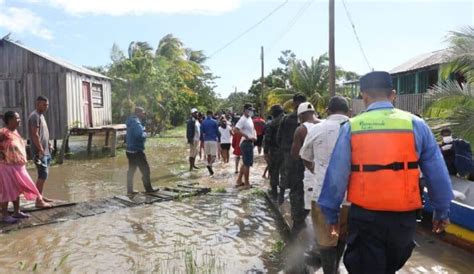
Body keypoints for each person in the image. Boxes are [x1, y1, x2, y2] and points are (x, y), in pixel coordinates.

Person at [318, 71, 453, 274]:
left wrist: (331, 215)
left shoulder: (352, 127)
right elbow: (437, 174)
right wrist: (441, 211)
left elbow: (336, 177)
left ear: (364, 96)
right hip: (404, 221)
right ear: (393, 94)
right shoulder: (416, 124)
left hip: (365, 219)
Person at [300, 96, 350, 274]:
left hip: (323, 194)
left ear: (328, 111)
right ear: (348, 111)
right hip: (351, 196)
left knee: (325, 240)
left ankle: (330, 271)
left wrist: (317, 171)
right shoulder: (357, 128)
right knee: (342, 235)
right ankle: (336, 268)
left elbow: (305, 156)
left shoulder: (317, 129)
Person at [1, 111, 51, 224]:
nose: (19, 120)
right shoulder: (3, 132)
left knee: (17, 189)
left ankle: (16, 211)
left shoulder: (15, 132)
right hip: (7, 166)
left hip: (19, 166)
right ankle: (4, 215)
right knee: (7, 190)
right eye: (17, 118)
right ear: (9, 120)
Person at [277, 94, 308, 234]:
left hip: (290, 155)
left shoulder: (286, 118)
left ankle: (297, 220)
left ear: (294, 103)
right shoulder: (314, 119)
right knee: (306, 187)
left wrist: (284, 151)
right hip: (308, 158)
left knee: (292, 184)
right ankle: (303, 217)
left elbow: (279, 137)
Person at [28, 95, 55, 207]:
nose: (46, 107)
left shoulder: (41, 116)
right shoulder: (34, 116)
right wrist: (40, 150)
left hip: (46, 150)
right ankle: (38, 201)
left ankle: (40, 196)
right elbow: (34, 135)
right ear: (38, 103)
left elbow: (43, 133)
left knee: (44, 175)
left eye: (47, 105)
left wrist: (48, 144)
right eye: (44, 104)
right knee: (42, 175)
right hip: (39, 152)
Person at [125, 107, 156, 194]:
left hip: (129, 150)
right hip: (137, 151)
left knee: (131, 170)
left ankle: (130, 190)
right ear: (138, 113)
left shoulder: (130, 121)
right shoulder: (136, 123)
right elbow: (139, 136)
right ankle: (148, 189)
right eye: (143, 113)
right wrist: (145, 133)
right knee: (146, 170)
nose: (144, 114)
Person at [264, 105, 285, 202]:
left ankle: (274, 194)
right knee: (284, 173)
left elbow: (267, 139)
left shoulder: (271, 124)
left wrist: (265, 152)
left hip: (275, 151)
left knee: (274, 172)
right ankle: (282, 194)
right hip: (287, 151)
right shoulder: (289, 121)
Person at [234, 103, 257, 189]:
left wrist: (255, 136)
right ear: (245, 110)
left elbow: (253, 129)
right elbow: (235, 129)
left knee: (245, 163)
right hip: (246, 143)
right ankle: (247, 183)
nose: (251, 111)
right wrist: (245, 135)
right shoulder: (243, 119)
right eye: (250, 110)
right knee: (247, 164)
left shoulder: (249, 119)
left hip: (250, 142)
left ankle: (239, 180)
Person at [201, 111, 219, 176]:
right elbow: (217, 131)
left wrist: (202, 141)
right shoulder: (214, 121)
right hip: (213, 140)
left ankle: (210, 170)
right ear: (211, 114)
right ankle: (210, 164)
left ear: (206, 114)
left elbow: (202, 132)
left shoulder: (203, 122)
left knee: (208, 155)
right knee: (214, 156)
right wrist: (219, 139)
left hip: (206, 140)